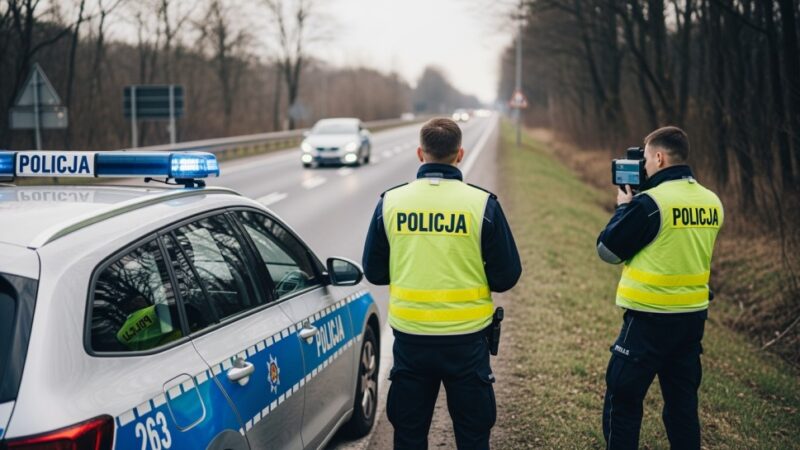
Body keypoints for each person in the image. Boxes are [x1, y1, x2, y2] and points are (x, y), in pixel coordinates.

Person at [362, 117, 521, 449]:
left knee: (409, 433)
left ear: (421, 154)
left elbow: (374, 272)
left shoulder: (390, 203)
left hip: (410, 342)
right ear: (459, 154)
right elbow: (507, 276)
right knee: (473, 433)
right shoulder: (482, 205)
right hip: (467, 342)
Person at [596, 126, 724, 449]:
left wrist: (625, 207)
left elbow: (607, 250)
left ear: (659, 157)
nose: (644, 168)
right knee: (682, 408)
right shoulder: (712, 202)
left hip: (648, 322)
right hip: (692, 322)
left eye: (647, 158)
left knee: (622, 399)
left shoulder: (650, 204)